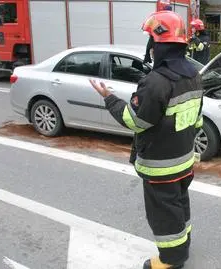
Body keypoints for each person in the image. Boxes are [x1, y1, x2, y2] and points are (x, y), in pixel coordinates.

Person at [89, 10, 203, 269]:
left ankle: (172, 260)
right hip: (185, 161)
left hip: (160, 166)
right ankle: (182, 243)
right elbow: (197, 120)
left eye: (151, 43)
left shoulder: (156, 82)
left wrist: (110, 99)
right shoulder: (193, 76)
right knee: (179, 204)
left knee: (163, 212)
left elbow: (136, 121)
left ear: (158, 45)